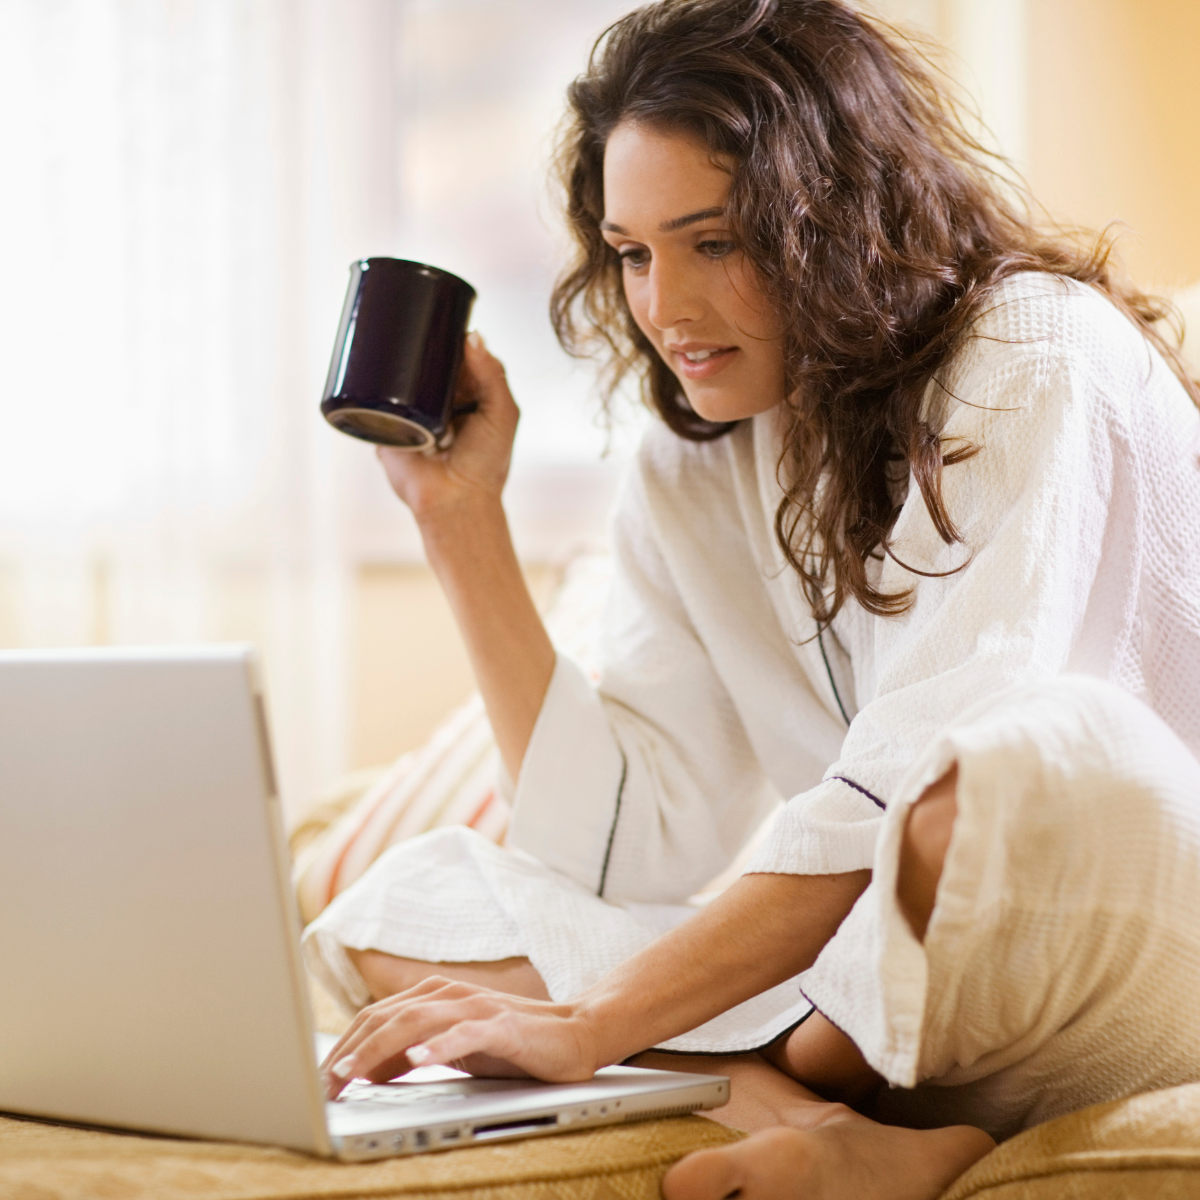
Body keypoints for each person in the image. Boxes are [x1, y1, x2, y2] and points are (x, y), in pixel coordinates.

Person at [304, 1, 1200, 1195]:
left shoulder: (1034, 349)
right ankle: (819, 1110)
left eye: (713, 241)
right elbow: (623, 844)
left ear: (832, 217)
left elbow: (910, 781)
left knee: (986, 785)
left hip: (1086, 908)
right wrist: (459, 521)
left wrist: (593, 1025)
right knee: (404, 903)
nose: (665, 308)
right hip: (869, 971)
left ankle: (786, 1052)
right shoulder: (695, 460)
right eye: (632, 253)